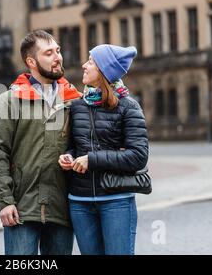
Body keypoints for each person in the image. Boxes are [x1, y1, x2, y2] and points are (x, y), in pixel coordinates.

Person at [0, 30, 82, 255]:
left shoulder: (74, 100)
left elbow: (83, 144)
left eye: (58, 51)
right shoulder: (10, 100)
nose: (58, 57)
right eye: (49, 53)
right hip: (21, 209)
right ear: (31, 61)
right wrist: (5, 201)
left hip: (62, 208)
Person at [58, 44, 149, 255]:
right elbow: (75, 146)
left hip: (116, 201)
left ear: (103, 70)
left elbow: (138, 156)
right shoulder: (78, 105)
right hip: (80, 202)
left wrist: (92, 159)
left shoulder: (129, 106)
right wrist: (68, 157)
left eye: (90, 61)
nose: (84, 65)